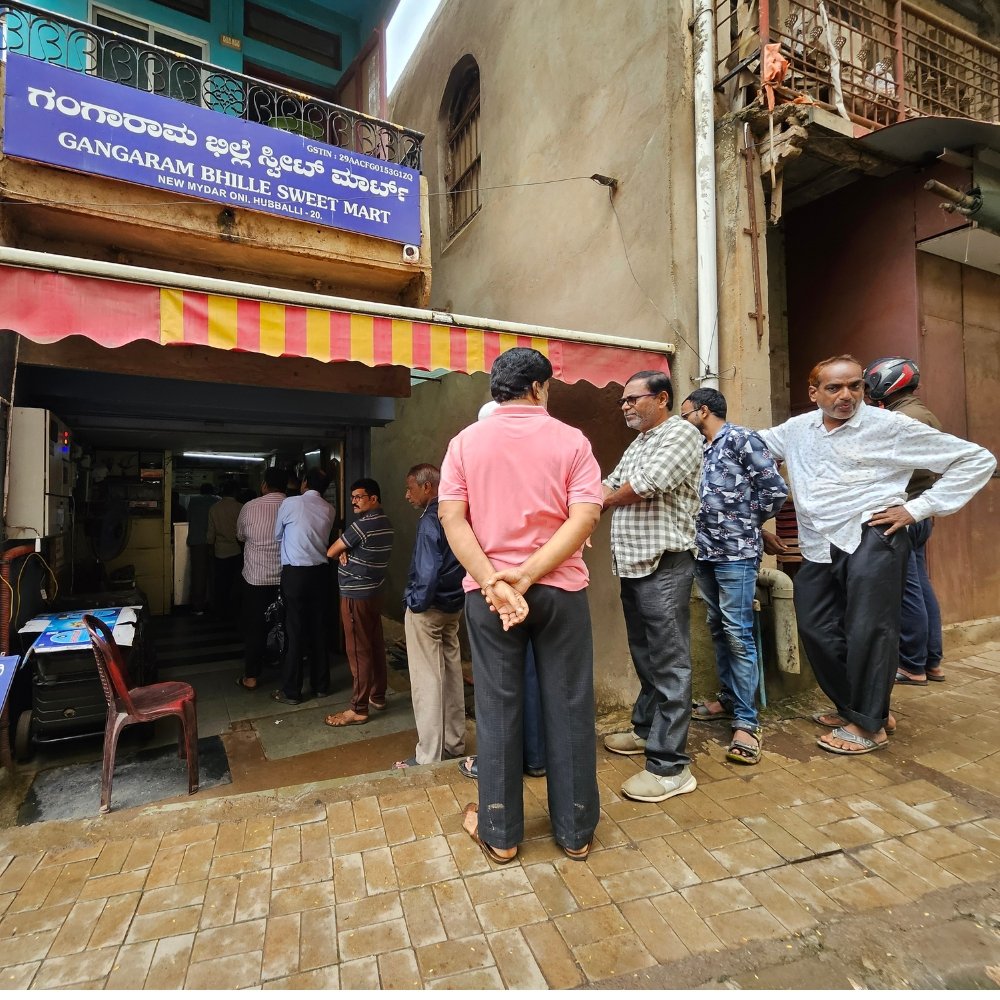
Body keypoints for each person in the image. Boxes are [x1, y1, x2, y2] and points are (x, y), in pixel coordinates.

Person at [758, 354, 995, 755]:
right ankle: (859, 707)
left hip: (874, 533)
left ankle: (869, 726)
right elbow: (750, 445)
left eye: (855, 386)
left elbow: (977, 459)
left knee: (870, 628)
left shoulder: (891, 426)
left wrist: (916, 508)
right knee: (816, 626)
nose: (846, 395)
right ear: (813, 393)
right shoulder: (797, 429)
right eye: (834, 388)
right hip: (818, 540)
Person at [439, 347, 603, 864]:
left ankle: (502, 833)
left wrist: (494, 581)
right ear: (538, 388)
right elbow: (585, 519)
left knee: (497, 705)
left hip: (490, 599)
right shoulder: (572, 441)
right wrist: (529, 575)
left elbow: (452, 519)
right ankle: (575, 832)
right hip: (561, 591)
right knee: (570, 704)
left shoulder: (464, 443)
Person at [601, 370, 703, 803]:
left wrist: (594, 505)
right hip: (634, 566)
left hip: (666, 565)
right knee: (645, 655)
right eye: (622, 400)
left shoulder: (679, 434)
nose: (625, 406)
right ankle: (647, 731)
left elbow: (643, 486)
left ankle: (669, 766)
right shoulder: (640, 442)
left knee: (669, 661)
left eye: (632, 398)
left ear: (661, 398)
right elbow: (609, 483)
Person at [682, 388, 788, 765]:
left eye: (686, 414)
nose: (684, 422)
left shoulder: (741, 438)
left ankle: (747, 722)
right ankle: (729, 701)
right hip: (705, 551)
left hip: (736, 554)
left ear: (703, 411)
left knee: (738, 633)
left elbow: (775, 490)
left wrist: (748, 522)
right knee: (717, 626)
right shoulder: (701, 448)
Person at [457, 401, 547, 784]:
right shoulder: (544, 457)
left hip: (495, 586)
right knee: (534, 674)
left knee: (498, 686)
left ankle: (499, 767)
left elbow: (456, 523)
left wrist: (491, 582)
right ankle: (538, 756)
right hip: (545, 580)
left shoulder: (474, 458)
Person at [864, 357, 945, 686]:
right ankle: (932, 661)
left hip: (903, 513)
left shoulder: (901, 419)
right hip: (920, 512)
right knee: (921, 587)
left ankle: (912, 665)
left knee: (906, 591)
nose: (868, 392)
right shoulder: (922, 413)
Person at [393, 464, 466, 768]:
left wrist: (414, 603)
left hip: (430, 608)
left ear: (427, 487)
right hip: (454, 606)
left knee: (427, 681)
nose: (406, 494)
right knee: (451, 675)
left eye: (410, 488)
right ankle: (454, 743)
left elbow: (426, 571)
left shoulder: (429, 521)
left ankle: (428, 757)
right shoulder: (457, 512)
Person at [324, 479, 394, 727]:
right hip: (375, 593)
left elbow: (331, 551)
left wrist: (343, 548)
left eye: (359, 496)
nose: (354, 500)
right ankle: (378, 696)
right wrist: (347, 548)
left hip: (356, 596)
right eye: (352, 496)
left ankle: (358, 708)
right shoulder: (385, 523)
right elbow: (345, 548)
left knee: (357, 650)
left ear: (373, 498)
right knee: (374, 645)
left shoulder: (363, 525)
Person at [272, 468, 335, 705]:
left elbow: (277, 534)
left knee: (294, 630)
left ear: (305, 483)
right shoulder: (329, 509)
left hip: (295, 575)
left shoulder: (291, 504)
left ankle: (292, 691)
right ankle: (321, 685)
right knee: (319, 628)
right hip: (320, 573)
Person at [235, 467, 287, 691]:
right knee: (284, 624)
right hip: (285, 578)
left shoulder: (250, 507)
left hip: (256, 578)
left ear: (264, 484)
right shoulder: (292, 505)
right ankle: (284, 666)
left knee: (255, 627)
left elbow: (240, 535)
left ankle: (252, 676)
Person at [207, 479, 243, 618]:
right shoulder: (240, 507)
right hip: (236, 550)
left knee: (221, 582)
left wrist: (210, 548)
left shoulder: (214, 508)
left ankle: (220, 610)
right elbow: (243, 533)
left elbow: (211, 533)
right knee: (235, 581)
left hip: (219, 551)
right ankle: (233, 610)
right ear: (235, 492)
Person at [185, 482, 218, 614]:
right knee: (214, 574)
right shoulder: (217, 501)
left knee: (198, 575)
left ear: (200, 491)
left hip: (197, 542)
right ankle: (214, 604)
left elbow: (188, 518)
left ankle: (198, 606)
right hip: (215, 542)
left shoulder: (193, 501)